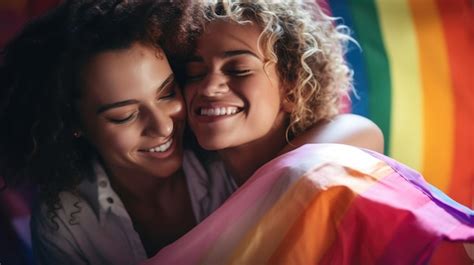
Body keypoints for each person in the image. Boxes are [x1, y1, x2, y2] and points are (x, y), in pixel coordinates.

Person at [0, 0, 387, 264]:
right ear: (74, 127)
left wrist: (279, 182)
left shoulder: (224, 152)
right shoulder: (66, 223)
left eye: (168, 92)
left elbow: (359, 133)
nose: (164, 125)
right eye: (124, 116)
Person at [142, 1, 473, 264]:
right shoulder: (194, 181)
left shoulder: (334, 147)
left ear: (292, 88)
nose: (210, 86)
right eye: (194, 72)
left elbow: (347, 140)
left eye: (239, 69)